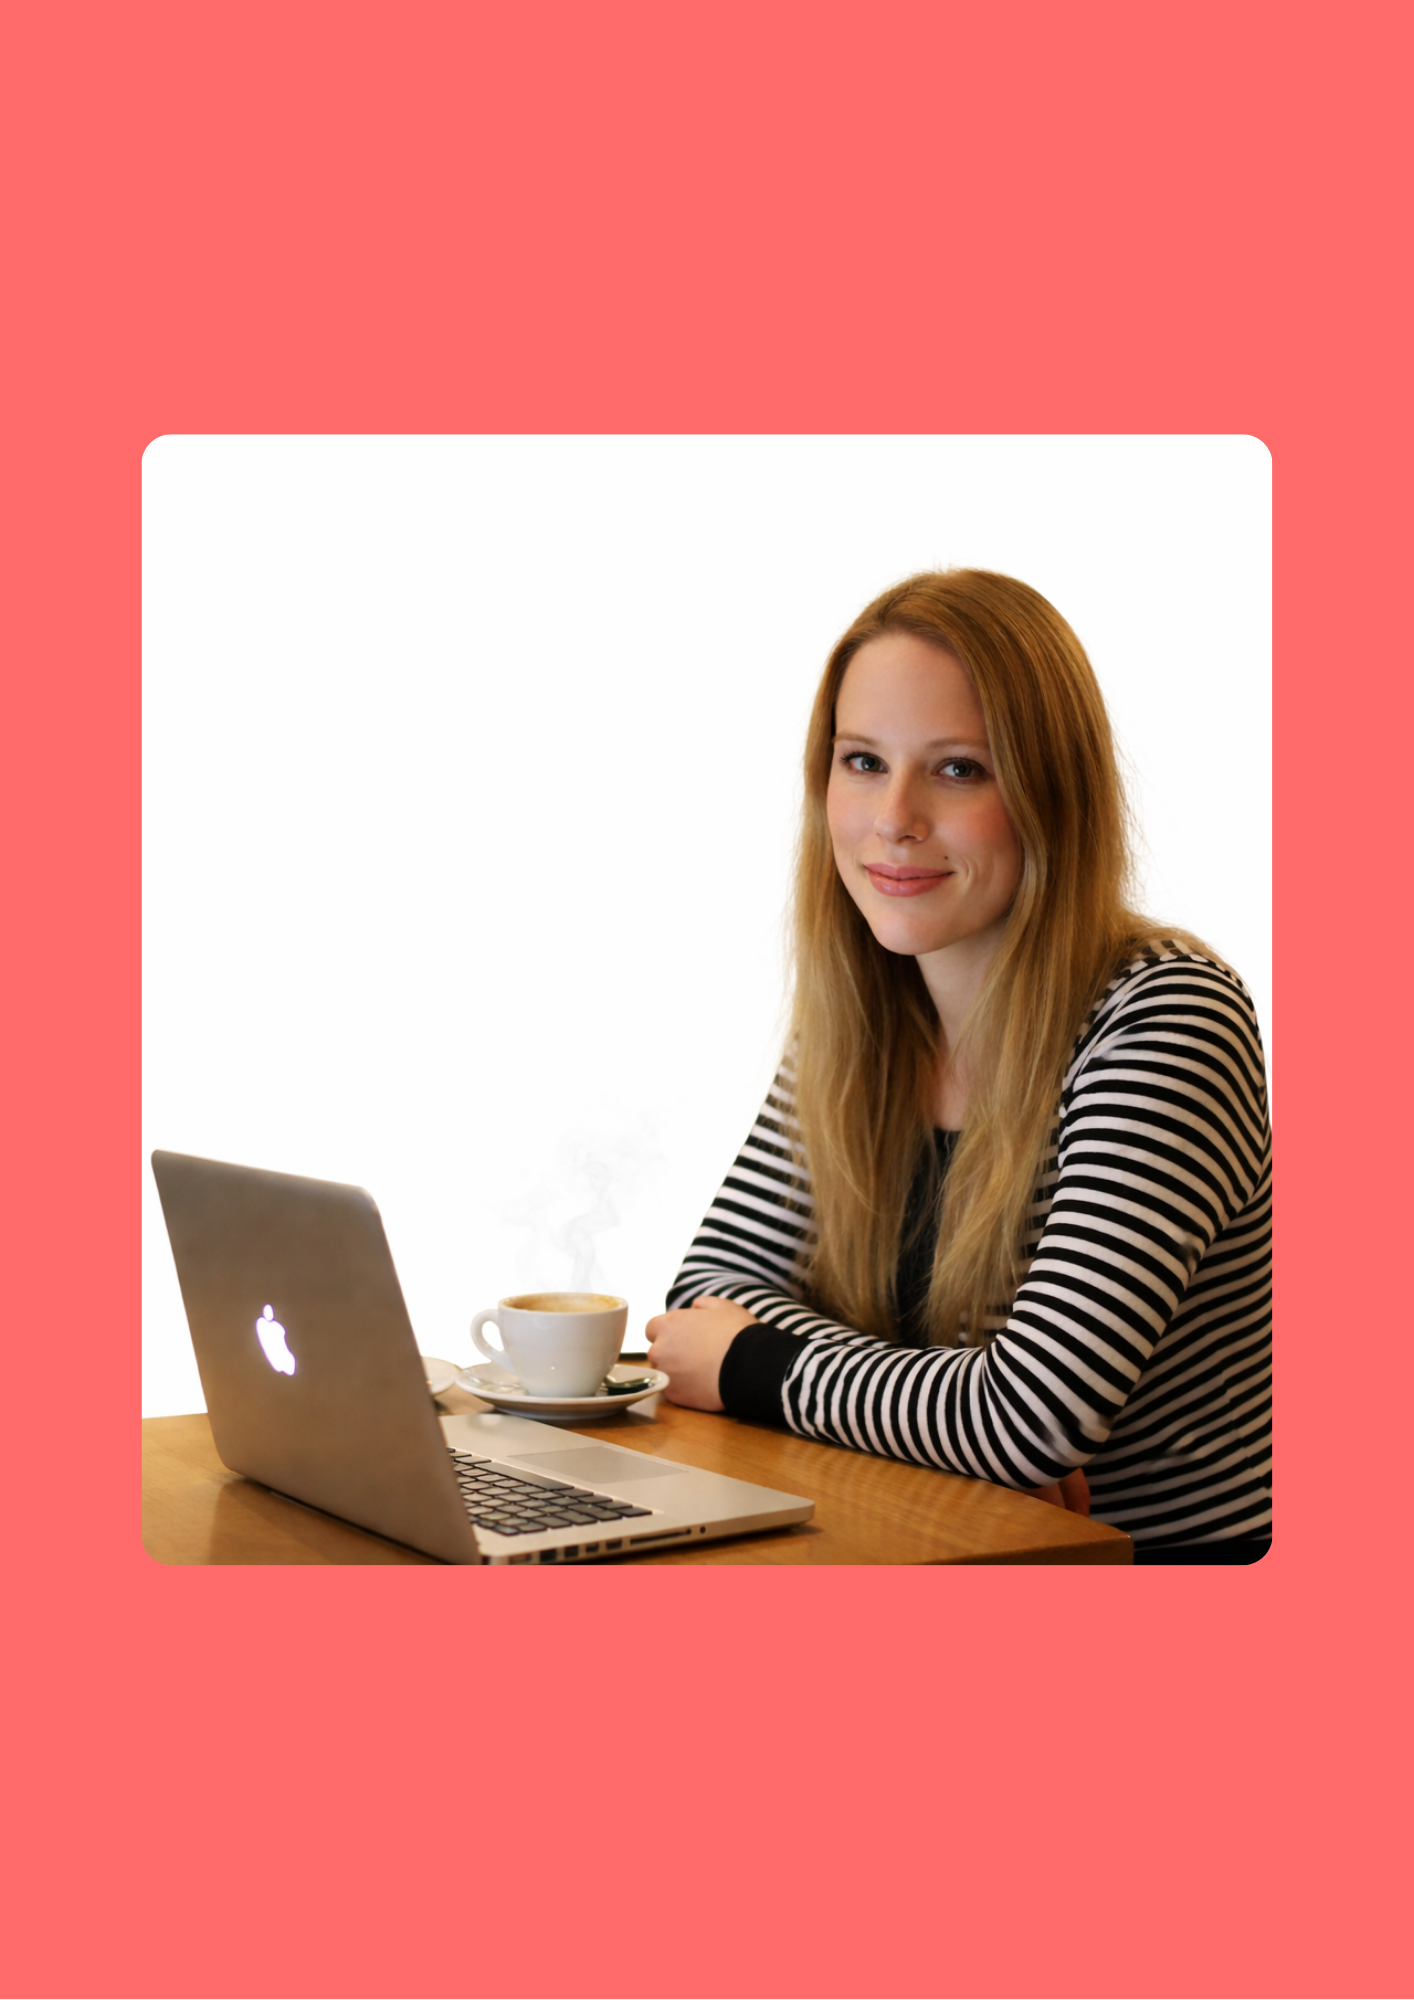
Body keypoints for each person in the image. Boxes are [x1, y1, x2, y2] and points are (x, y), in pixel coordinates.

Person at [645, 569, 1272, 1563]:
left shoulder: (1166, 1018)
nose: (893, 815)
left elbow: (1026, 1421)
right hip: (941, 1550)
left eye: (957, 769)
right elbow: (701, 1303)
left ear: (1049, 791)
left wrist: (761, 1364)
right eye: (862, 760)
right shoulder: (862, 1016)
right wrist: (959, 1419)